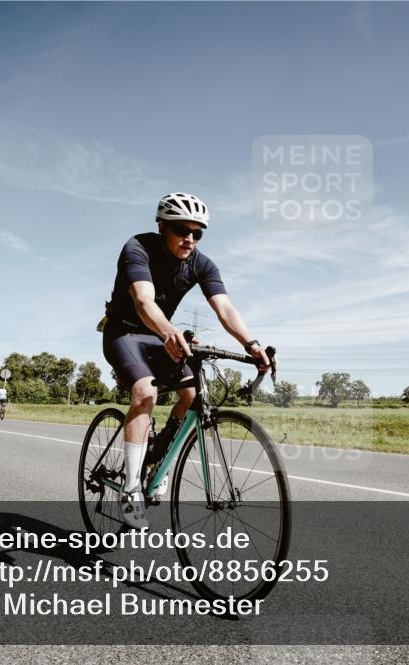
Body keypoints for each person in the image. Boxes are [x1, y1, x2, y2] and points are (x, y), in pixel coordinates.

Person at [100, 192, 273, 529]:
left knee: (192, 394)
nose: (190, 239)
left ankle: (159, 457)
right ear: (162, 225)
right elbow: (142, 300)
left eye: (198, 233)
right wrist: (167, 331)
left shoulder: (202, 264)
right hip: (124, 332)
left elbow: (224, 308)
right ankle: (131, 488)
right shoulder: (138, 247)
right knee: (145, 392)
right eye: (182, 230)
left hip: (161, 335)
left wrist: (252, 345)